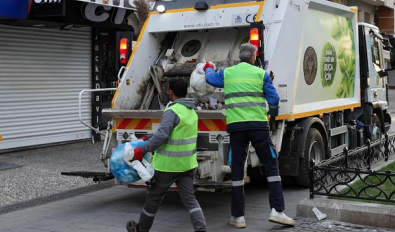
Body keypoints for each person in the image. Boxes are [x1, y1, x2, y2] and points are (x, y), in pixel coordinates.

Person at [204, 43, 295, 228]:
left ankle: (238, 217)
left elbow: (211, 79)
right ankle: (277, 211)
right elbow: (274, 99)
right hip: (258, 127)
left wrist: (207, 69)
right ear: (253, 57)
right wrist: (274, 113)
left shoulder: (228, 73)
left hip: (236, 128)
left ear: (240, 57)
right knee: (270, 164)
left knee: (237, 169)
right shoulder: (261, 74)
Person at [126, 78, 207, 232]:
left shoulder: (172, 111)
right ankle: (201, 229)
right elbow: (174, 134)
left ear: (171, 93)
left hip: (168, 167)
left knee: (153, 199)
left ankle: (141, 229)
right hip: (188, 165)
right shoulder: (192, 112)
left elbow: (163, 136)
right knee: (190, 200)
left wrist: (142, 150)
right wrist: (149, 138)